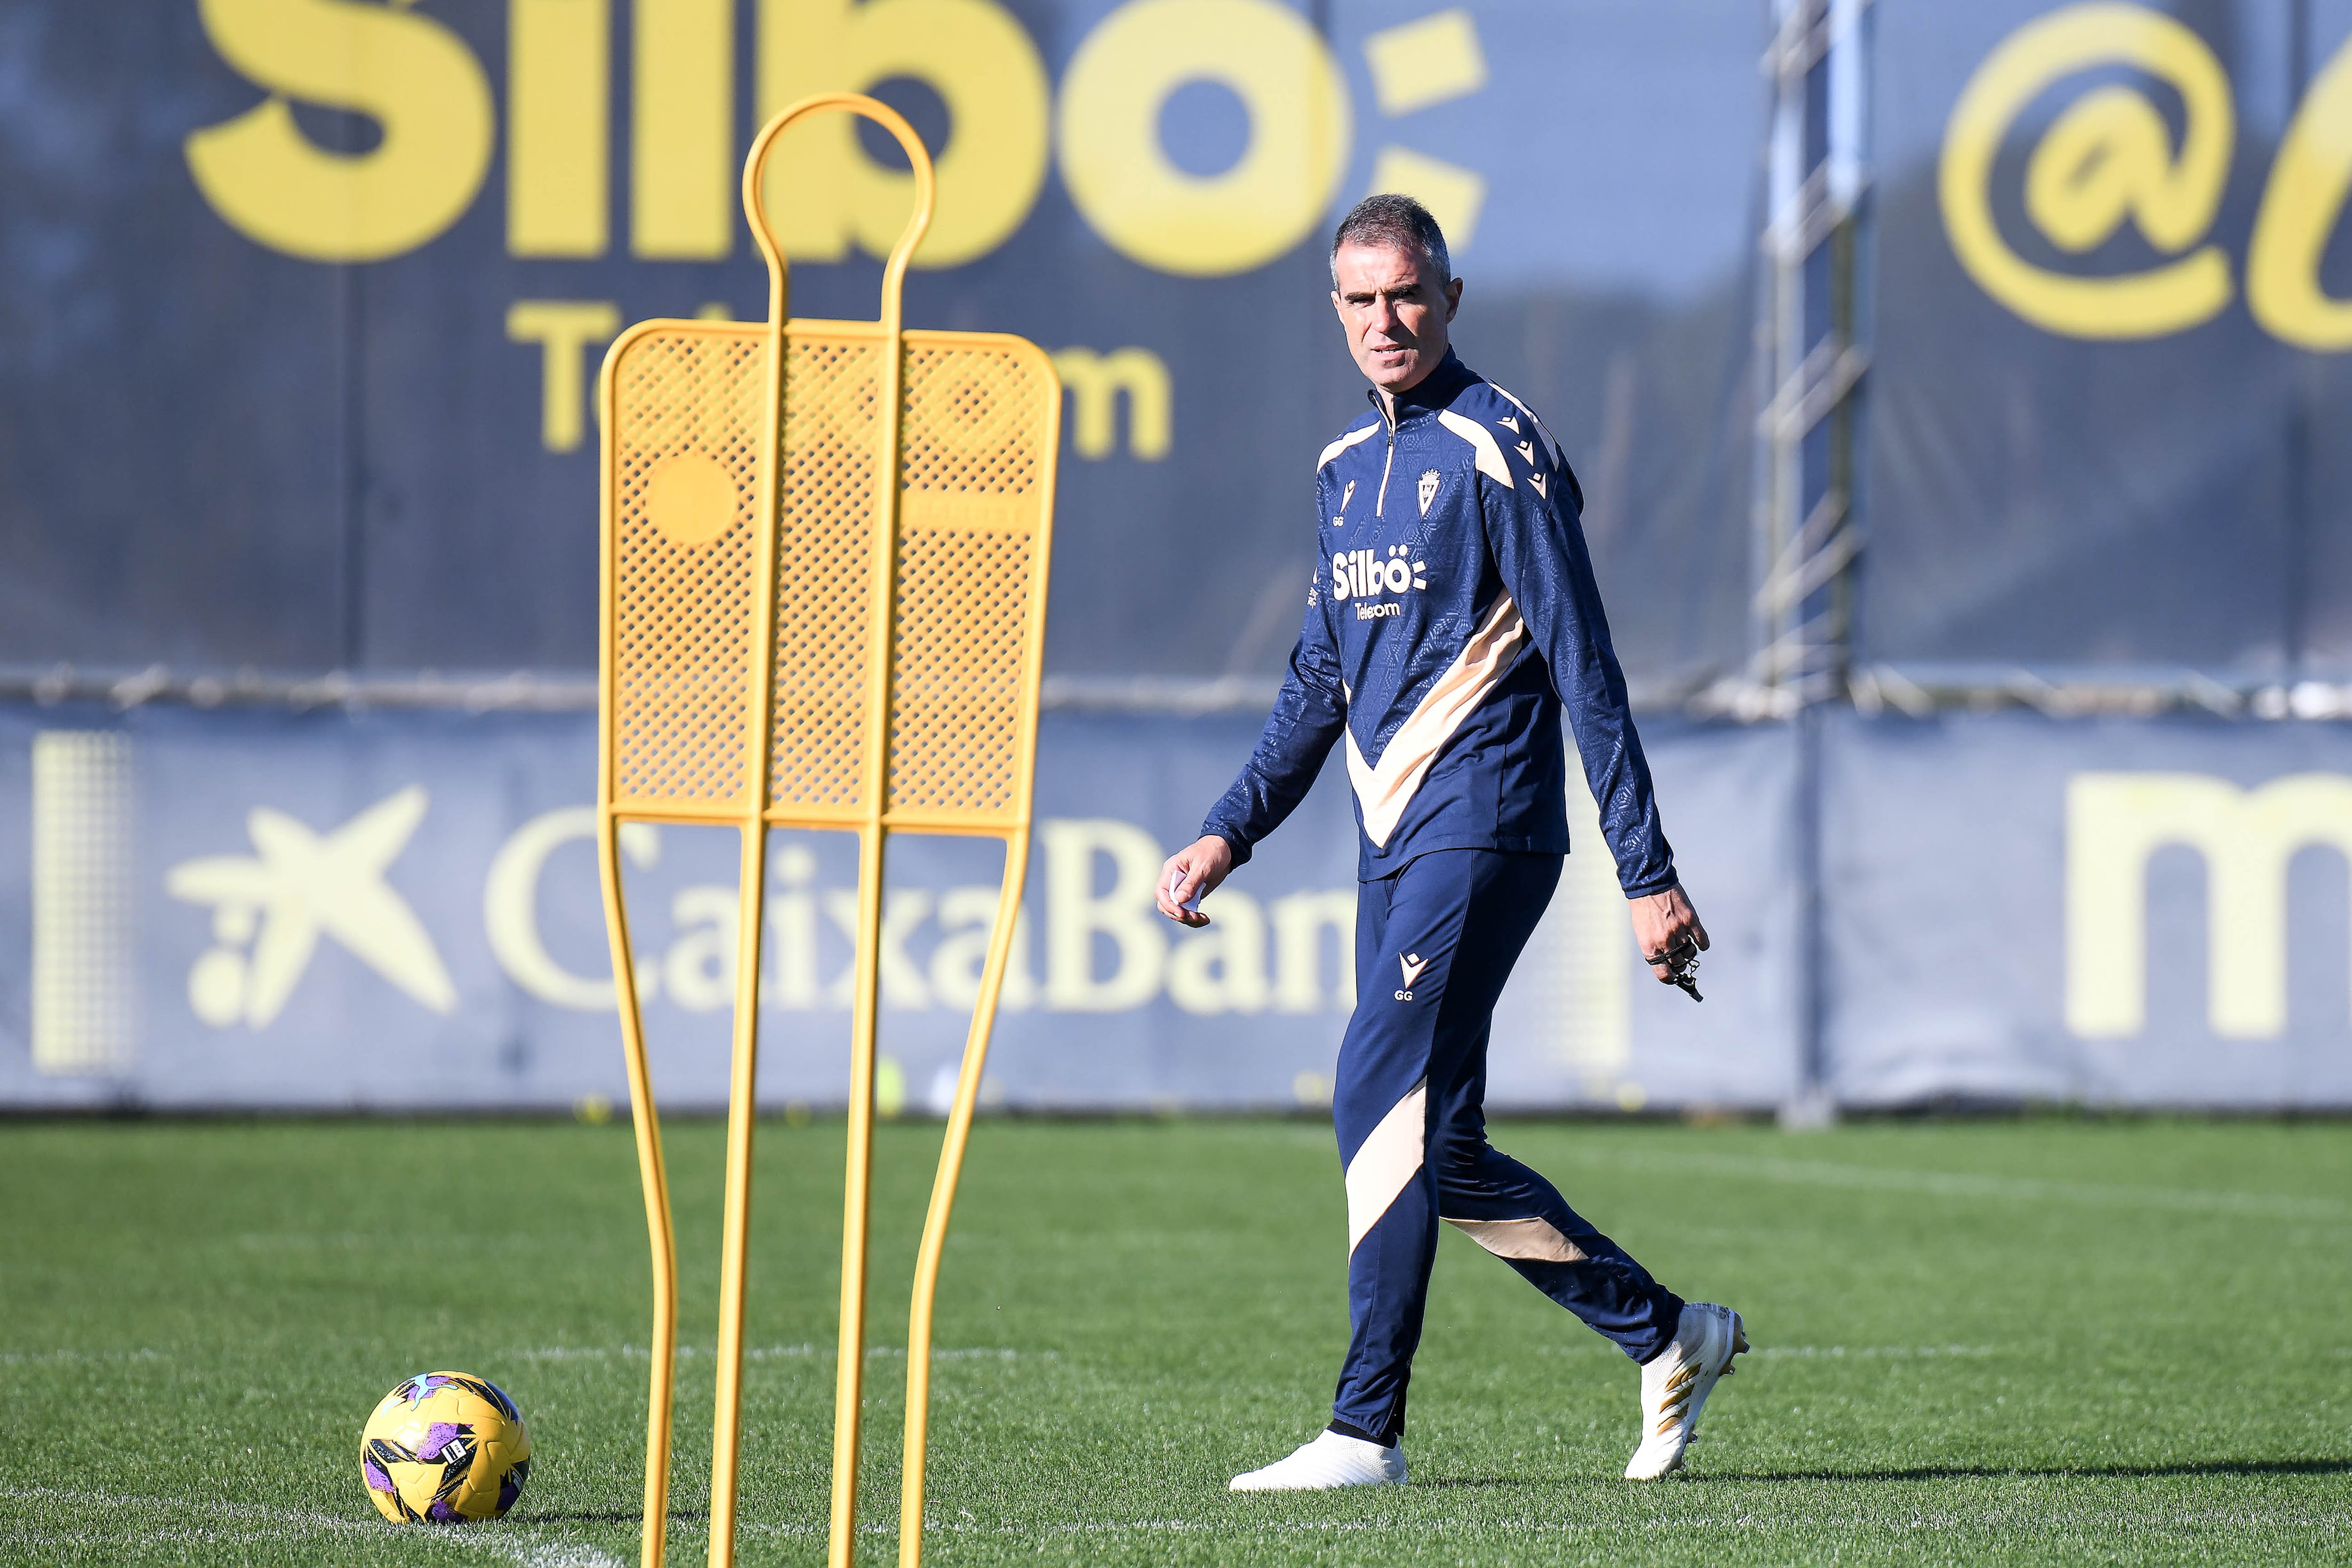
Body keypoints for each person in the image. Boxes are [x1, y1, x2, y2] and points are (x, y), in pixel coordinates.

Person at [1156, 194, 1746, 1490]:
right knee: (1444, 1147)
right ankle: (1668, 1333)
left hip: (1485, 821)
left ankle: (1366, 1431)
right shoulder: (1340, 473)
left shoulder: (1497, 447)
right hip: (1391, 834)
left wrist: (1647, 874)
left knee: (1373, 1095)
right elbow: (1319, 681)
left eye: (1408, 294)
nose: (1387, 320)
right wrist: (1226, 834)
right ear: (1335, 310)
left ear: (1451, 297)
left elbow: (1586, 659)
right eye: (1361, 301)